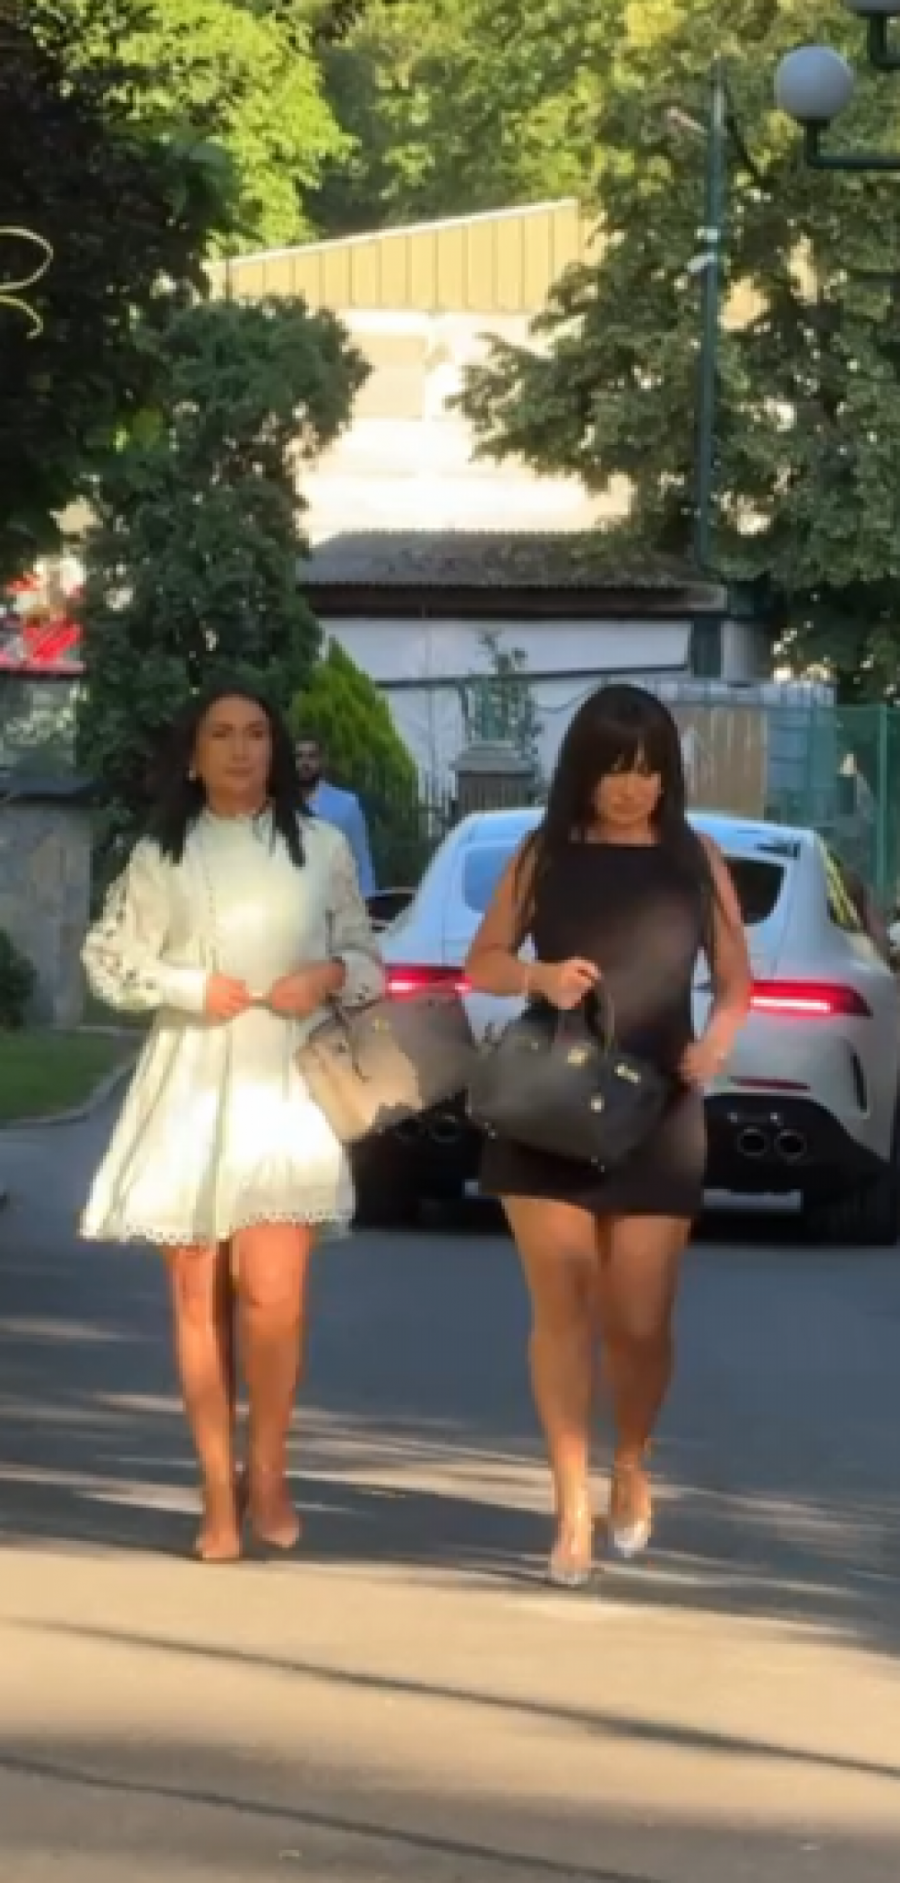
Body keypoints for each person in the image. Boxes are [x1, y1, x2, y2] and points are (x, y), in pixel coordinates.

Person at [80, 680, 384, 1564]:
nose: (241, 748)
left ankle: (270, 1469)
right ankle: (217, 1487)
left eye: (256, 733)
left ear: (276, 750)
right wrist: (186, 984)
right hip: (190, 1082)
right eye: (221, 734)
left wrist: (325, 976)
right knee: (196, 1293)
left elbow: (367, 956)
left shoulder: (322, 846)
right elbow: (110, 957)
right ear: (193, 754)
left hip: (288, 1082)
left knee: (271, 1293)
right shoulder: (159, 853)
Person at [465, 683, 751, 1587]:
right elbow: (483, 960)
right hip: (549, 1102)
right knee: (565, 1305)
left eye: (649, 770)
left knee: (639, 1319)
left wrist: (717, 1041)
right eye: (615, 770)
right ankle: (569, 1507)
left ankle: (630, 1457)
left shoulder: (697, 859)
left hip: (658, 1107)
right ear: (581, 772)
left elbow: (736, 981)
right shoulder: (541, 853)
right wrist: (539, 975)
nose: (633, 788)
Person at [295, 733, 377, 898]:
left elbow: (361, 858)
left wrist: (368, 899)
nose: (305, 763)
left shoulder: (346, 805)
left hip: (335, 901)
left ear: (322, 761)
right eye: (299, 756)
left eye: (312, 756)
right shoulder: (278, 804)